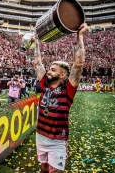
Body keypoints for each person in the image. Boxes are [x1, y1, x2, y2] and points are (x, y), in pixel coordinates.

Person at [34, 23, 88, 172]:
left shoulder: (67, 90)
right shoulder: (44, 84)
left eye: (52, 70)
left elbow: (78, 64)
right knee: (44, 168)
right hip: (40, 135)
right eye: (49, 69)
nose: (48, 72)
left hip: (57, 140)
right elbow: (38, 62)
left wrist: (80, 36)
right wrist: (36, 43)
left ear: (63, 75)